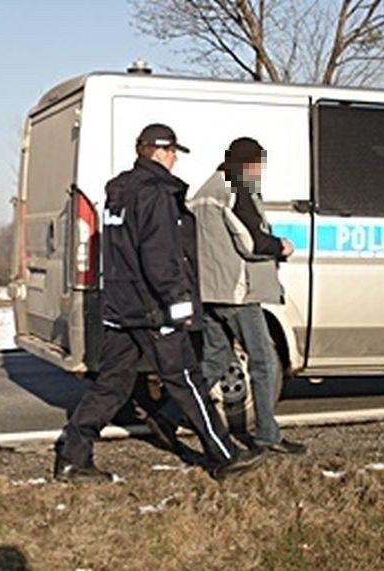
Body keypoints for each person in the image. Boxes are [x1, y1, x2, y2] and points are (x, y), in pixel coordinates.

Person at [54, 124, 266, 483]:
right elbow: (161, 255)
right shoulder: (155, 193)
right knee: (185, 379)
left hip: (121, 306)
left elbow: (122, 251)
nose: (175, 160)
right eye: (173, 153)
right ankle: (225, 456)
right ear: (161, 152)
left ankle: (74, 457)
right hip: (153, 308)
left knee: (112, 385)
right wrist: (177, 303)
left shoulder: (119, 192)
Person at [190, 137, 306, 455]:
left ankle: (184, 411)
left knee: (213, 361)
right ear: (247, 163)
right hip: (238, 292)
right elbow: (250, 241)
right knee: (264, 363)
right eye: (258, 164)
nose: (260, 171)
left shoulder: (203, 191)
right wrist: (281, 245)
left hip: (210, 292)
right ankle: (267, 435)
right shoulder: (234, 188)